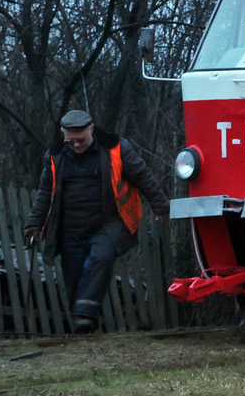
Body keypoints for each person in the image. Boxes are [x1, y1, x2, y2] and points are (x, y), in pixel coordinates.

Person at [23, 110, 169, 332]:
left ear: (91, 128)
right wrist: (34, 225)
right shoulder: (55, 156)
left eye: (80, 139)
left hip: (109, 223)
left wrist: (160, 206)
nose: (76, 145)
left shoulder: (116, 149)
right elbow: (45, 193)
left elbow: (143, 176)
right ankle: (84, 327)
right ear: (63, 134)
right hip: (70, 229)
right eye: (70, 141)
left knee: (100, 257)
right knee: (73, 279)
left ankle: (83, 314)